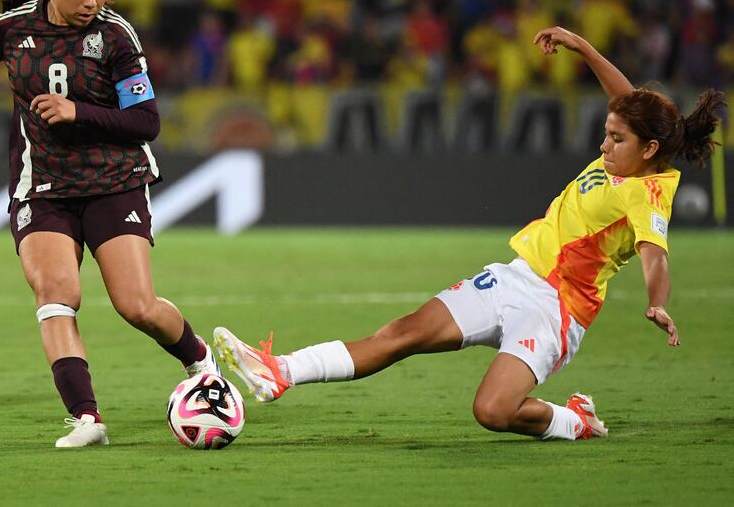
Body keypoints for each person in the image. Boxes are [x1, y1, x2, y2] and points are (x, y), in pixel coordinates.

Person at [215, 26, 726, 441]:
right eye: (607, 132)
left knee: (492, 411)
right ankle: (279, 370)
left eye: (616, 138)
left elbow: (654, 253)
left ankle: (573, 421)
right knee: (401, 334)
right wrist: (583, 46)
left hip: (557, 309)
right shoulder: (631, 147)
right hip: (515, 277)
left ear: (650, 149)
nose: (604, 143)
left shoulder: (648, 194)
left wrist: (657, 302)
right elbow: (624, 97)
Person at [0, 0, 221, 448]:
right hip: (43, 187)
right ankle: (86, 419)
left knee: (136, 306)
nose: (93, 2)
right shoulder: (11, 28)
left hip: (114, 183)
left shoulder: (117, 36)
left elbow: (146, 122)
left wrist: (80, 111)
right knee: (57, 294)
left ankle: (202, 363)